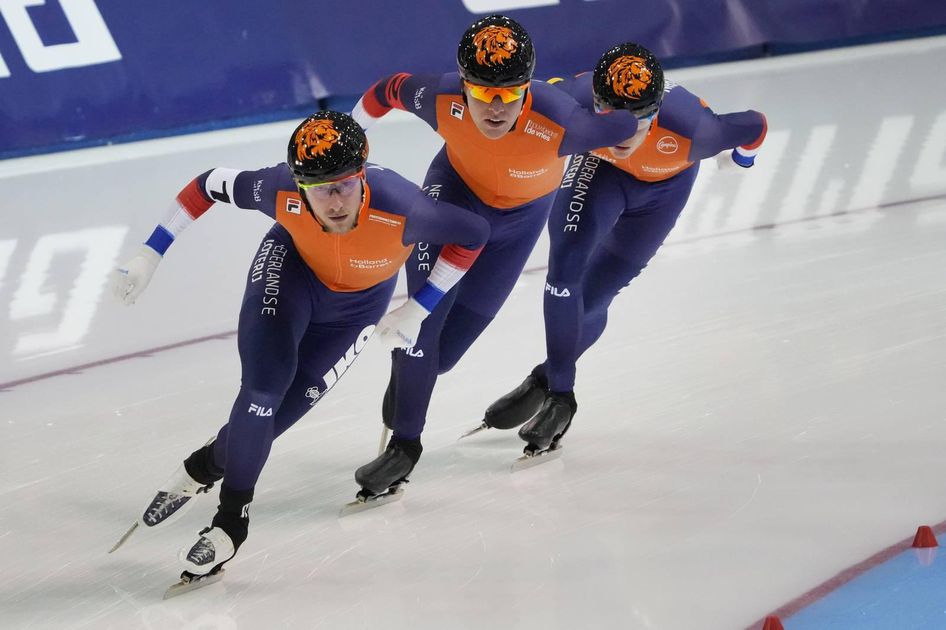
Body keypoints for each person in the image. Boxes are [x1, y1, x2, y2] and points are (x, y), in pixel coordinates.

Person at [109, 111, 489, 583]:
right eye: (318, 188)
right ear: (298, 182)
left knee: (273, 419)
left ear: (363, 173)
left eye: (345, 185)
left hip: (355, 311)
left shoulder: (407, 208)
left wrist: (420, 307)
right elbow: (207, 184)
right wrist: (151, 252)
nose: (332, 201)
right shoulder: (278, 189)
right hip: (289, 276)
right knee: (262, 391)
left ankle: (204, 465)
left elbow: (474, 235)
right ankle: (231, 521)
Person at [349, 15, 643, 497]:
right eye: (483, 93)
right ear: (464, 85)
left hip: (517, 227)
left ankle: (414, 376)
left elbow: (628, 119)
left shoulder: (564, 120)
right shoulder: (440, 98)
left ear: (528, 85)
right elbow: (387, 90)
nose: (496, 106)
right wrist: (352, 147)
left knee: (442, 356)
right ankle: (404, 447)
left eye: (510, 92)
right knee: (421, 324)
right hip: (450, 201)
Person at [478, 43, 769, 457]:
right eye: (610, 121)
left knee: (593, 298)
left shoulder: (698, 130)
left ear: (656, 114)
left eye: (638, 123)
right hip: (600, 173)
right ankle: (562, 394)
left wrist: (741, 160)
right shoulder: (572, 98)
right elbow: (512, 100)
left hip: (663, 192)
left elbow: (755, 125)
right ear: (594, 105)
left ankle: (543, 379)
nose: (622, 135)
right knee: (565, 270)